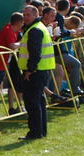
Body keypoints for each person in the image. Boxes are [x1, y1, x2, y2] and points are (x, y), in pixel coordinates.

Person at [18, 5, 56, 140]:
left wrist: (30, 70)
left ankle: (35, 132)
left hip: (35, 71)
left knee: (32, 102)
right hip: (41, 70)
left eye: (28, 15)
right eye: (24, 15)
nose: (25, 17)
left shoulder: (34, 30)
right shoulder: (39, 27)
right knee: (38, 101)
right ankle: (40, 131)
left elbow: (35, 53)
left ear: (35, 15)